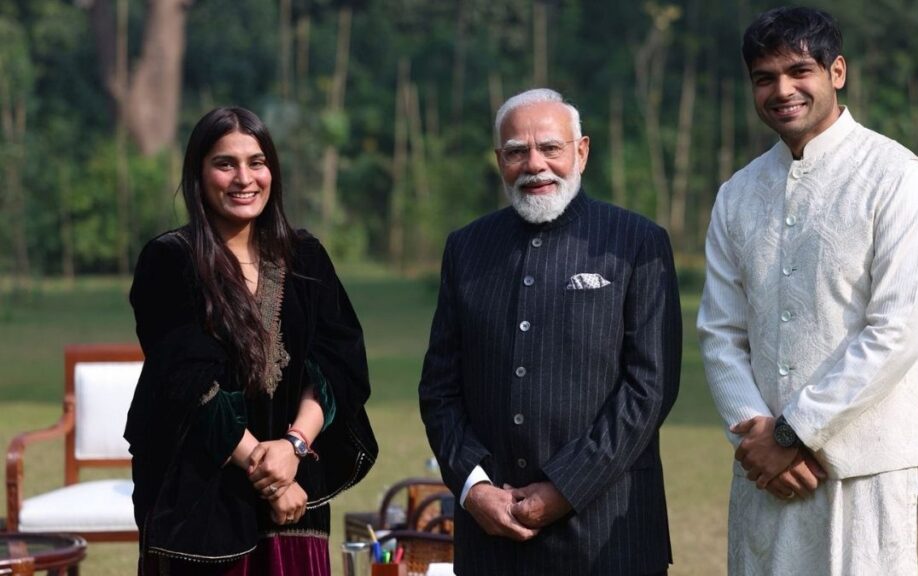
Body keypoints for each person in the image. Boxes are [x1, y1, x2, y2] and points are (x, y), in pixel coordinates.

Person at [697, 6, 918, 574]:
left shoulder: (899, 179)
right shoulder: (737, 195)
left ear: (837, 72)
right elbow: (720, 333)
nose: (782, 90)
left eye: (798, 71)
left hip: (868, 471)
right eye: (764, 78)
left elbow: (897, 331)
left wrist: (793, 431)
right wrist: (757, 431)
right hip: (767, 475)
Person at [418, 88, 682, 575]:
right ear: (500, 160)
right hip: (492, 538)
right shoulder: (467, 248)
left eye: (550, 148)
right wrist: (474, 489)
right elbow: (439, 389)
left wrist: (565, 487)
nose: (534, 164)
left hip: (611, 537)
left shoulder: (637, 242)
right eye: (517, 151)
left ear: (581, 151)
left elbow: (650, 388)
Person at [125, 106, 377, 575]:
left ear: (272, 172)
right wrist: (274, 480)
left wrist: (295, 446)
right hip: (201, 498)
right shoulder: (170, 261)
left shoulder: (306, 256)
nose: (244, 178)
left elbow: (336, 362)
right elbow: (189, 386)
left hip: (296, 491)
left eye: (256, 162)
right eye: (225, 163)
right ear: (198, 174)